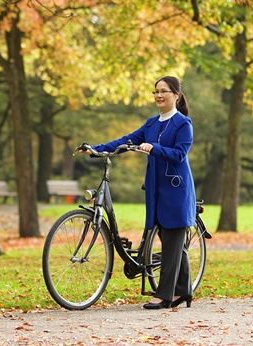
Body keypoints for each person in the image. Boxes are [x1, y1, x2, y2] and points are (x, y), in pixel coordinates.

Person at [83, 76, 195, 309]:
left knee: (172, 243)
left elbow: (179, 155)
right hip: (155, 188)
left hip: (176, 190)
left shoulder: (183, 124)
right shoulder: (152, 124)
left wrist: (155, 148)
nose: (158, 96)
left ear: (176, 95)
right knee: (171, 241)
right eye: (155, 92)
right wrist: (96, 150)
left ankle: (165, 295)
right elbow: (126, 140)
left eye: (164, 91)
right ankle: (184, 291)